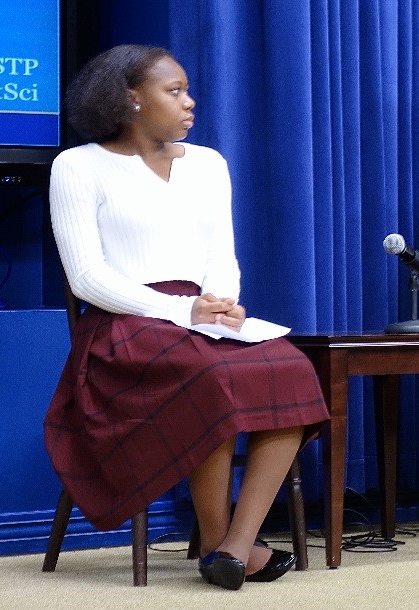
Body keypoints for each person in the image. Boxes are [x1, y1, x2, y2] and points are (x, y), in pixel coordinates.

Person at [46, 45, 330, 589]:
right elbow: (86, 278)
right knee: (211, 377)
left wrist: (221, 303)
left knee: (290, 367)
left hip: (203, 314)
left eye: (187, 89)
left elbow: (221, 254)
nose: (190, 102)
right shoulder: (78, 166)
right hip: (124, 322)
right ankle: (224, 543)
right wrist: (181, 309)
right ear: (130, 98)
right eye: (173, 91)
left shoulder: (207, 163)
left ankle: (234, 546)